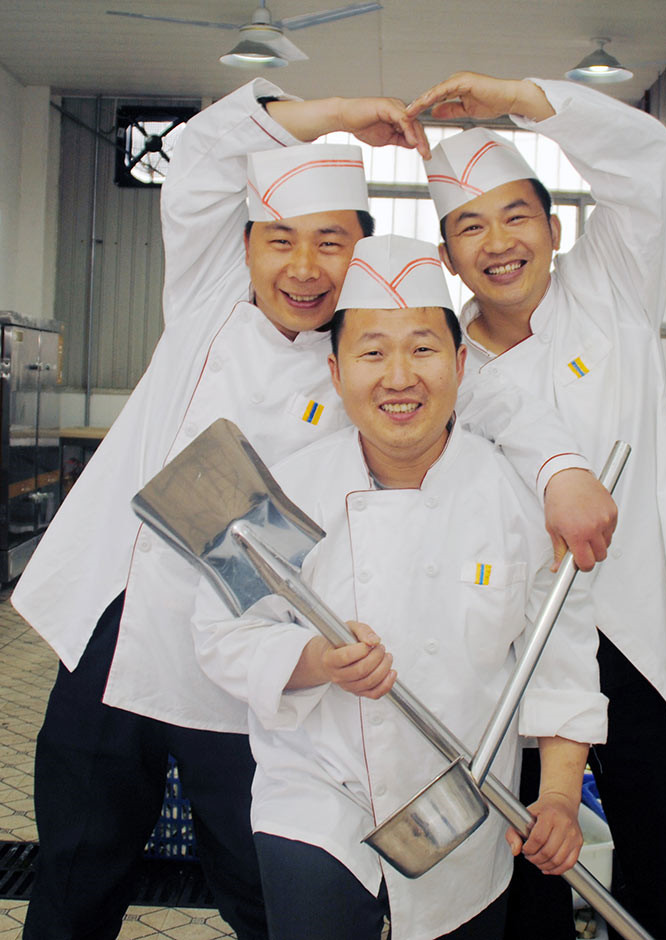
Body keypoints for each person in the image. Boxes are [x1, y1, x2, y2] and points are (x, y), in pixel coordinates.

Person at [12, 78, 614, 939]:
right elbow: (198, 158)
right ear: (245, 248)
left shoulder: (364, 355)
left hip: (250, 661)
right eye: (280, 240)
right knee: (76, 867)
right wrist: (334, 116)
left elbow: (497, 400)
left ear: (358, 256)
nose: (303, 268)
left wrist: (562, 472)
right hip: (121, 620)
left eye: (331, 243)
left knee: (255, 888)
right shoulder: (208, 303)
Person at [189, 234, 608, 940]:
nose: (399, 377)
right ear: (335, 370)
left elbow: (559, 662)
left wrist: (562, 798)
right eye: (373, 353)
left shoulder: (517, 504)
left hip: (463, 800)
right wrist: (317, 661)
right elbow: (222, 632)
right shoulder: (286, 492)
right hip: (317, 789)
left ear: (460, 363)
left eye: (422, 349)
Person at [409, 71, 666, 940]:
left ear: (554, 230)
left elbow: (647, 155)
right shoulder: (447, 367)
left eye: (516, 216)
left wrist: (519, 97)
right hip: (515, 655)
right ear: (447, 255)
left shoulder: (612, 289)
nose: (498, 243)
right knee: (527, 885)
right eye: (470, 227)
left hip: (639, 639)